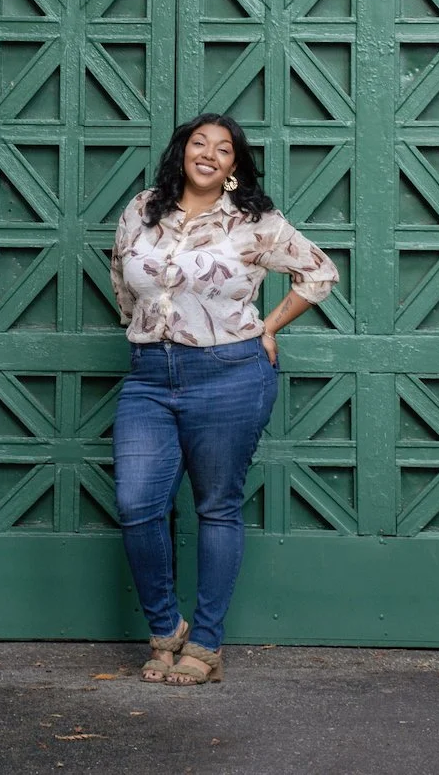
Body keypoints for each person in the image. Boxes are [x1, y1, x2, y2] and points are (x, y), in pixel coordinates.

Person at [110, 113, 338, 685]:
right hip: (148, 377)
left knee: (217, 506)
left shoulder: (256, 222)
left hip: (230, 374)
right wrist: (143, 328)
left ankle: (205, 644)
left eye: (224, 149)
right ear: (182, 151)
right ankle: (167, 629)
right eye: (198, 143)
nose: (208, 154)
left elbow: (319, 273)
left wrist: (270, 328)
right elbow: (121, 271)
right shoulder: (143, 208)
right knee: (137, 505)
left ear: (235, 166)